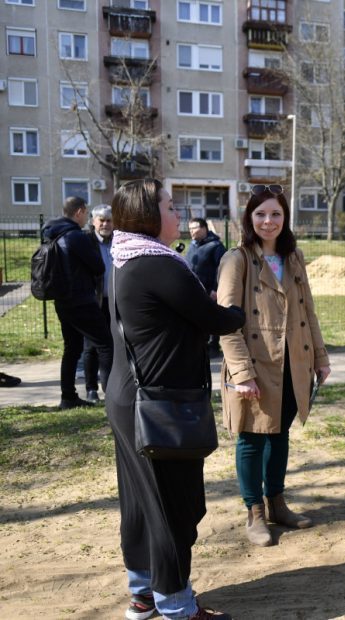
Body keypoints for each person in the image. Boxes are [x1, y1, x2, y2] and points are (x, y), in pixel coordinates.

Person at [107, 179, 245, 620]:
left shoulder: (122, 258)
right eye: (169, 205)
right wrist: (237, 309)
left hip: (131, 396)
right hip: (160, 403)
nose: (178, 212)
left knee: (141, 502)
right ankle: (176, 605)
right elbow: (217, 319)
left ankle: (144, 593)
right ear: (149, 216)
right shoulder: (157, 264)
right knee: (173, 505)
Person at [217, 184, 330, 547]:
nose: (269, 221)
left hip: (292, 363)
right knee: (251, 439)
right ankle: (255, 512)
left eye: (276, 214)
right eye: (261, 214)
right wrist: (242, 373)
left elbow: (309, 311)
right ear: (249, 218)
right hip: (253, 364)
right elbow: (225, 322)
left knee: (280, 435)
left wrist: (320, 359)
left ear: (285, 218)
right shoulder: (236, 260)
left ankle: (277, 502)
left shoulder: (293, 257)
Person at [42, 197, 113, 409]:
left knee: (72, 348)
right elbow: (98, 267)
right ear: (80, 212)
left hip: (63, 301)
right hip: (82, 300)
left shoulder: (53, 234)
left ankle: (68, 397)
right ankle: (112, 395)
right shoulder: (75, 236)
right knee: (106, 344)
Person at [82, 205, 114, 401]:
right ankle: (91, 388)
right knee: (91, 347)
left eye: (109, 220)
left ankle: (109, 387)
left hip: (116, 302)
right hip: (93, 302)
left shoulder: (119, 241)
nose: (105, 224)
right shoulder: (85, 242)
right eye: (101, 220)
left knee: (113, 345)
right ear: (93, 221)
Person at [186, 218, 227, 356]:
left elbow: (223, 268)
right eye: (189, 228)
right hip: (195, 291)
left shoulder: (215, 246)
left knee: (211, 318)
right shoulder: (193, 246)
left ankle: (213, 347)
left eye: (194, 228)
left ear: (204, 228)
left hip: (210, 291)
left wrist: (216, 289)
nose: (191, 231)